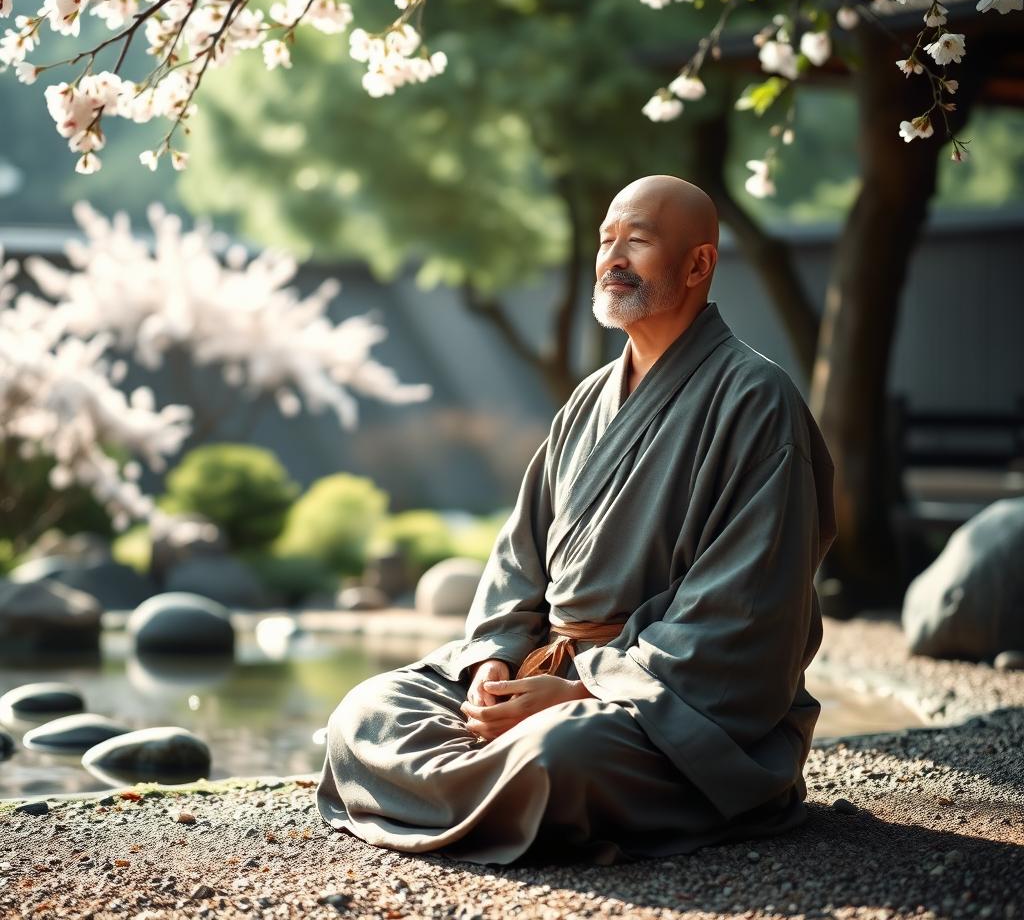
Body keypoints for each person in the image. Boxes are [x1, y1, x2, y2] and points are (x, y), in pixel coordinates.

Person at [316, 174, 837, 865]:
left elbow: (746, 613)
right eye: (606, 241)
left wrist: (581, 689)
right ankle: (498, 794)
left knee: (560, 753)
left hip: (662, 707)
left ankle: (468, 790)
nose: (613, 258)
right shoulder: (590, 398)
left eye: (638, 241)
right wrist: (495, 663)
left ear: (697, 264)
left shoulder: (756, 401)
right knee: (368, 710)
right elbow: (520, 558)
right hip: (548, 671)